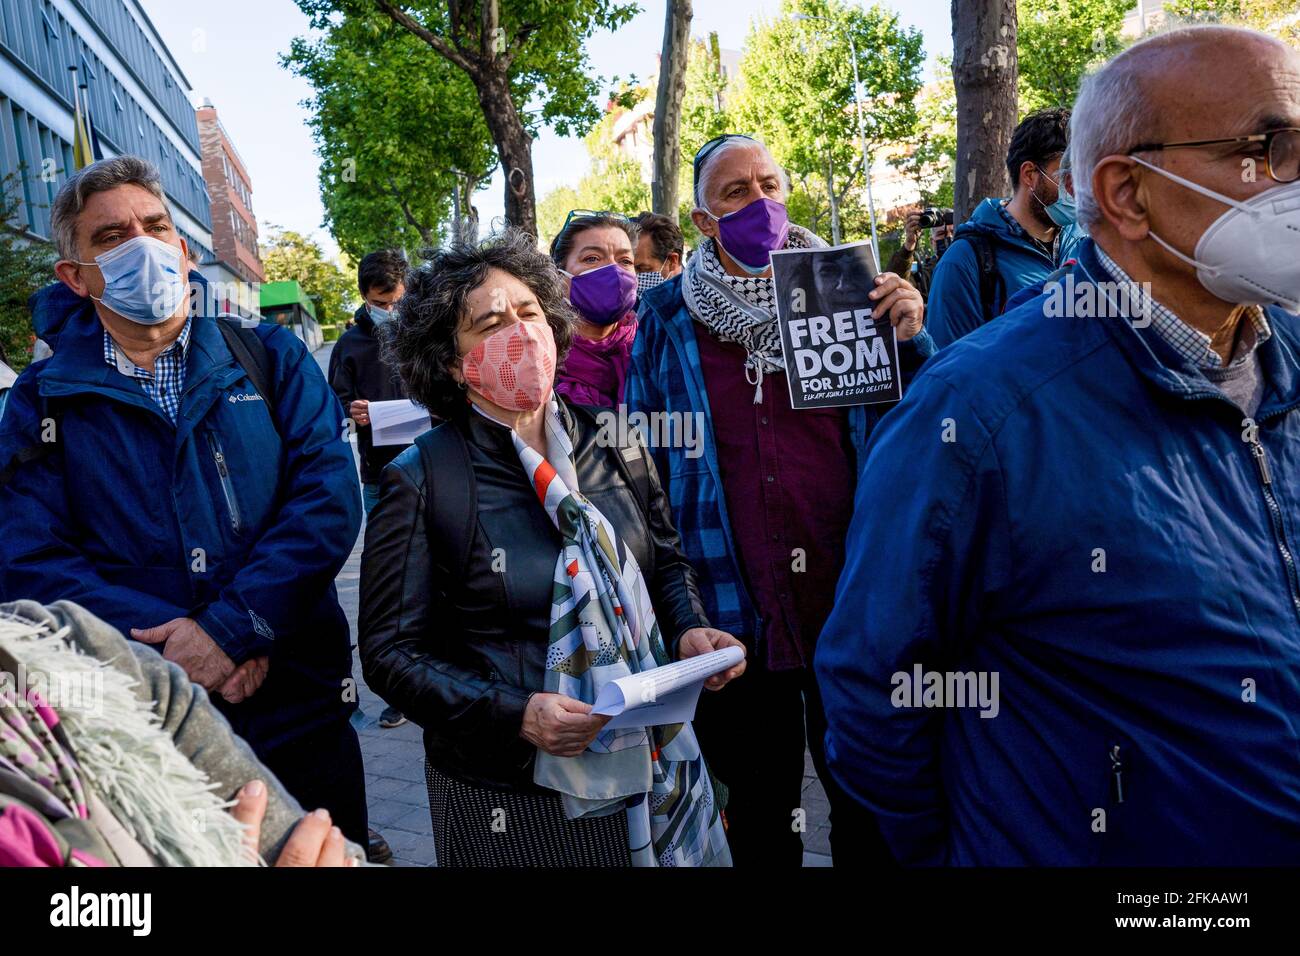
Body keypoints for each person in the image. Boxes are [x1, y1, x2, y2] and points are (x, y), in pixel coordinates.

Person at [816, 25, 1300, 866]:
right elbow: (874, 692)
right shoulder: (978, 412)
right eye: (1270, 149)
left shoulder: (1285, 355)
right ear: (1127, 193)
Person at [0, 156, 369, 850]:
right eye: (112, 237)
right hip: (144, 726)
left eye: (155, 226)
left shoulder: (268, 355)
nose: (141, 244)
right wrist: (177, 654)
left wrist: (233, 631)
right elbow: (30, 560)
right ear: (75, 277)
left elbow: (326, 499)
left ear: (183, 249)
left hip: (298, 700)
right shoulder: (41, 399)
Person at [359, 229, 744, 867]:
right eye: (490, 324)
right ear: (452, 362)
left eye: (529, 311)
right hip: (507, 792)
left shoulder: (617, 441)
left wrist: (689, 630)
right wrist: (517, 713)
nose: (521, 332)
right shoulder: (423, 477)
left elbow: (665, 564)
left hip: (647, 761)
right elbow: (391, 654)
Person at [626, 133, 934, 867]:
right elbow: (644, 476)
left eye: (769, 184)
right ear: (703, 220)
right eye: (736, 192)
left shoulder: (852, 294)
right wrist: (679, 611)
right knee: (761, 824)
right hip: (731, 617)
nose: (759, 203)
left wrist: (913, 338)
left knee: (870, 812)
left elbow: (925, 430)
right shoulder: (665, 318)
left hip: (851, 606)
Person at [0, 599, 365, 867]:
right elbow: (33, 550)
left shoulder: (75, 657)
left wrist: (225, 632)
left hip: (299, 701)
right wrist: (194, 637)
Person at [328, 248, 411, 734]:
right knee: (389, 580)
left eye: (397, 301)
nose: (391, 310)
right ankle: (398, 692)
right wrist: (352, 411)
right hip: (379, 477)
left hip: (435, 468)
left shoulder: (420, 330)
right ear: (365, 297)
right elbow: (332, 404)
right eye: (383, 303)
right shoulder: (350, 345)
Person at [927, 108, 1086, 347]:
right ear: (1030, 174)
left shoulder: (1088, 243)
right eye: (1068, 175)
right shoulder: (964, 262)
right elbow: (948, 362)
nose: (1079, 188)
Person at [549, 211, 640, 408]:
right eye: (592, 258)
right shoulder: (542, 358)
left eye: (625, 261)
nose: (614, 271)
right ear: (559, 277)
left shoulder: (654, 348)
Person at [887, 208, 954, 301]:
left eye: (953, 232)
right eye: (941, 234)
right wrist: (909, 244)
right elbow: (895, 285)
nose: (949, 237)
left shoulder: (973, 262)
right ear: (932, 242)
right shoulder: (925, 277)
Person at [632, 210, 685, 293]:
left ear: (672, 261)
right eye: (626, 263)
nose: (631, 276)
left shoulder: (697, 298)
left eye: (643, 269)